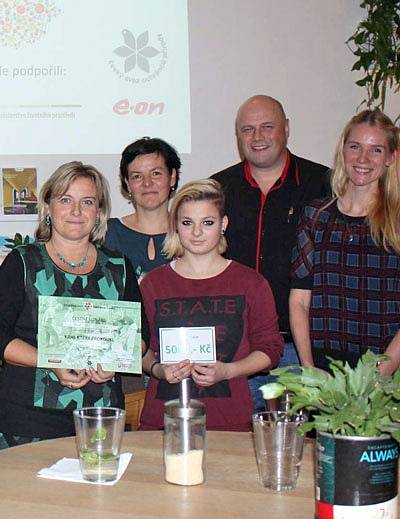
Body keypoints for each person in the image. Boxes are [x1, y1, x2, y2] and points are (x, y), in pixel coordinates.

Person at [0, 161, 148, 448]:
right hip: (29, 417)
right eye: (65, 200)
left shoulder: (119, 267)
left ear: (99, 213)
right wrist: (51, 360)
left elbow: (141, 338)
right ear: (47, 208)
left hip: (100, 414)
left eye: (87, 202)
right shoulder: (22, 262)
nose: (76, 211)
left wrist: (115, 362)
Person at [211, 95, 329, 410]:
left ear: (286, 129)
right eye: (248, 129)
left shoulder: (324, 185)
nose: (258, 137)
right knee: (235, 452)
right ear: (238, 137)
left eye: (267, 127)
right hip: (235, 352)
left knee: (298, 448)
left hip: (301, 351)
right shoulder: (218, 189)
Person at [140, 179, 283, 431]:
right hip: (163, 420)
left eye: (207, 223)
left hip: (229, 421)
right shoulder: (153, 283)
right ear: (175, 226)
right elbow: (138, 348)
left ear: (223, 224)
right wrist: (159, 370)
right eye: (187, 223)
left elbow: (270, 349)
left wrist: (228, 371)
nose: (196, 233)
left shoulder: (251, 283)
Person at [290, 109, 400, 375]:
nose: (363, 158)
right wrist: (309, 368)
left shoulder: (396, 221)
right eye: (355, 147)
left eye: (375, 150)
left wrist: (378, 374)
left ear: (390, 157)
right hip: (324, 371)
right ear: (343, 151)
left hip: (386, 372)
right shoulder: (316, 215)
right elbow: (299, 301)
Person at [105, 137, 181, 281]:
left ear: (172, 177)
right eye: (137, 176)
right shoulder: (107, 234)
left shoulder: (190, 232)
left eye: (156, 173)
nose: (147, 183)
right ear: (127, 183)